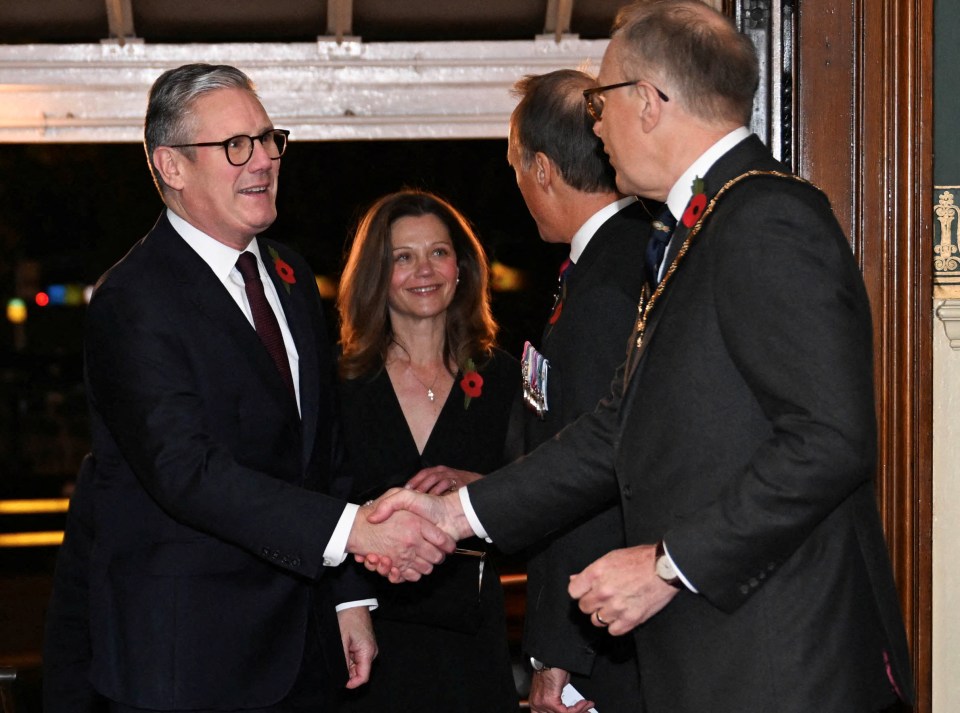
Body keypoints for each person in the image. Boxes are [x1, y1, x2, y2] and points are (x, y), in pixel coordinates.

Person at [363, 2, 916, 712]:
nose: (595, 124)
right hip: (722, 659)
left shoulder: (764, 218)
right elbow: (614, 430)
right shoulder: (696, 226)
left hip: (783, 664)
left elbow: (830, 440)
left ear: (648, 103)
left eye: (601, 101)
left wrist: (667, 565)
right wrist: (451, 517)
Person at [42, 63, 454, 713]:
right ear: (171, 167)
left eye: (268, 139)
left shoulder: (289, 274)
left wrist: (348, 596)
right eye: (237, 145)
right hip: (189, 666)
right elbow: (187, 471)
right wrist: (356, 532)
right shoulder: (134, 299)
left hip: (306, 653)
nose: (263, 160)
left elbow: (322, 454)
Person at [336, 189, 521, 713]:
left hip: (474, 643)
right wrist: (348, 604)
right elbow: (313, 504)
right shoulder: (336, 383)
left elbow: (543, 505)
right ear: (377, 274)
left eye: (438, 252)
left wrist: (483, 492)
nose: (425, 270)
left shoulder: (504, 379)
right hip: (366, 639)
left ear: (462, 267)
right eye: (403, 257)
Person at [506, 69, 649, 713]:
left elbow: (593, 479)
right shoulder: (615, 258)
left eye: (513, 165)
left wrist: (556, 657)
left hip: (606, 641)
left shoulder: (606, 287)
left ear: (541, 168)